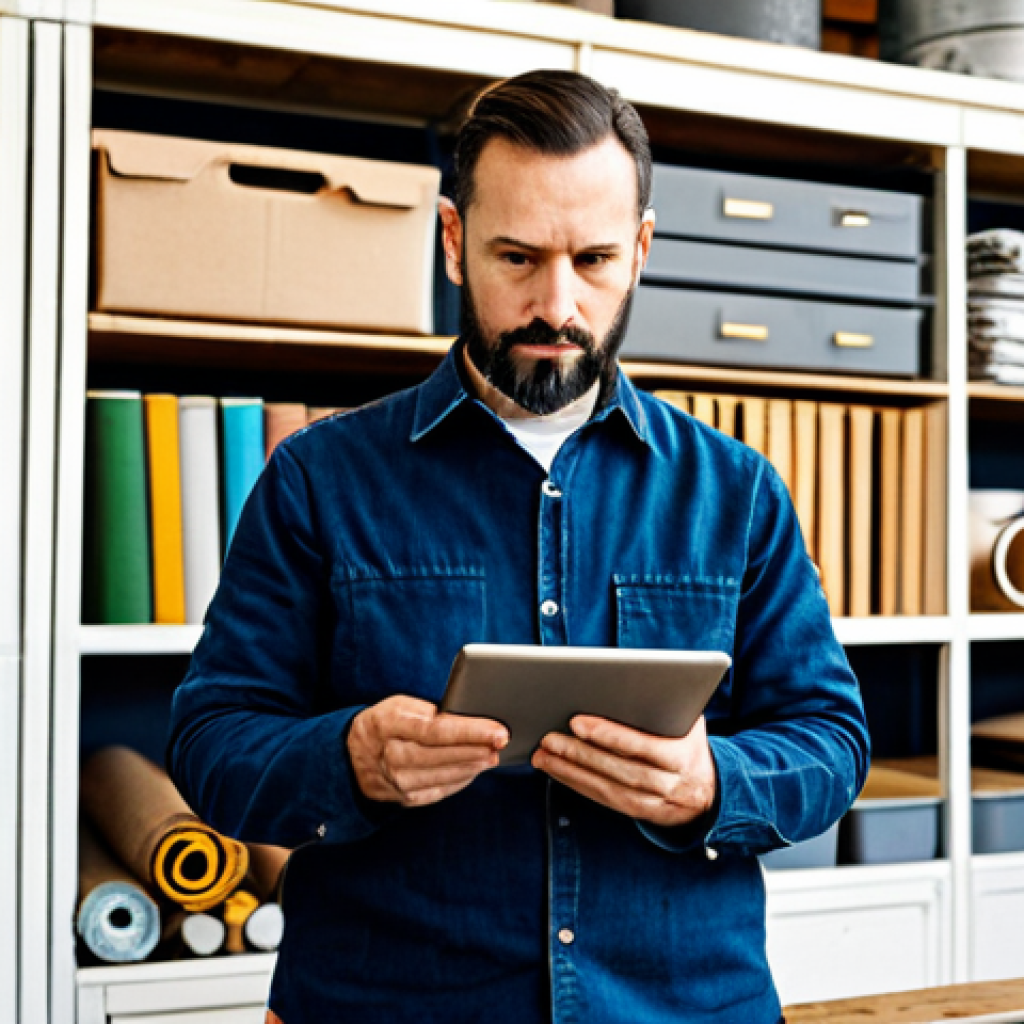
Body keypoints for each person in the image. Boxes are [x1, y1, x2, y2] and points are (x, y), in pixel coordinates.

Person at [167, 69, 870, 1024]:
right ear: (454, 243)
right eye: (518, 258)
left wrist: (716, 783)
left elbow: (832, 740)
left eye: (594, 260)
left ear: (642, 251)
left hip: (684, 1005)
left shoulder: (737, 492)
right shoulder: (318, 478)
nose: (557, 305)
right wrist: (350, 758)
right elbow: (211, 743)